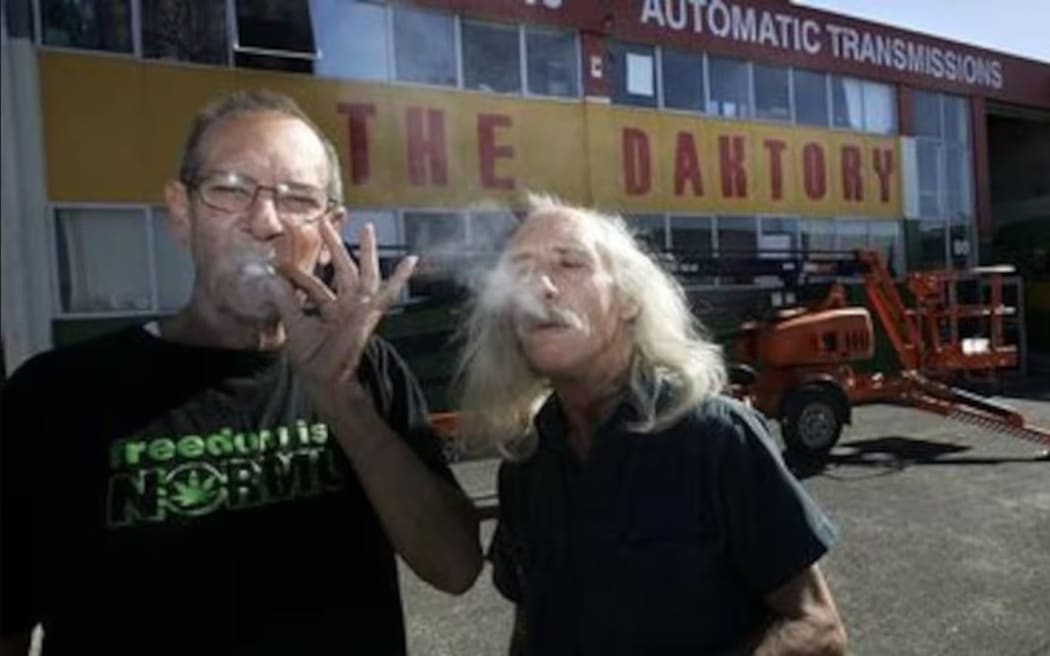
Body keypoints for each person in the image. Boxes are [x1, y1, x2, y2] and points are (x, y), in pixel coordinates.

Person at [0, 90, 482, 655]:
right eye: (229, 190)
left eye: (298, 199)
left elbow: (455, 567)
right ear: (181, 214)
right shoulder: (56, 395)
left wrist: (343, 402)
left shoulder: (366, 369)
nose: (265, 221)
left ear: (332, 228)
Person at [455, 195, 847, 656]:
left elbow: (818, 626)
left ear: (628, 301)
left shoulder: (718, 439)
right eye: (519, 271)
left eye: (570, 263)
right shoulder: (525, 464)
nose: (539, 286)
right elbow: (529, 629)